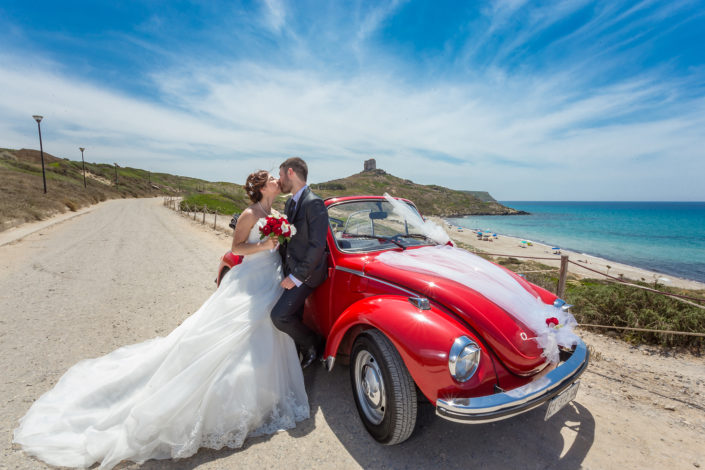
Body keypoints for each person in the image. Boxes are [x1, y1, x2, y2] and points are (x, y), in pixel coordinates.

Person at [13, 170, 309, 469]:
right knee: (233, 333)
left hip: (271, 278)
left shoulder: (275, 212)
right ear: (260, 187)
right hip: (251, 279)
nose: (276, 179)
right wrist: (264, 246)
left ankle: (264, 393)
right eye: (271, 177)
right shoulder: (249, 213)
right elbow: (236, 248)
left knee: (265, 330)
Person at [272, 157, 329, 368]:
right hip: (291, 266)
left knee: (279, 316)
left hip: (308, 272)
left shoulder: (314, 202)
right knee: (292, 314)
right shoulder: (290, 202)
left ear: (290, 173)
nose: (279, 181)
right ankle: (302, 354)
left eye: (280, 175)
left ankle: (314, 344)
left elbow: (317, 246)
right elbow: (293, 237)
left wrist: (296, 277)